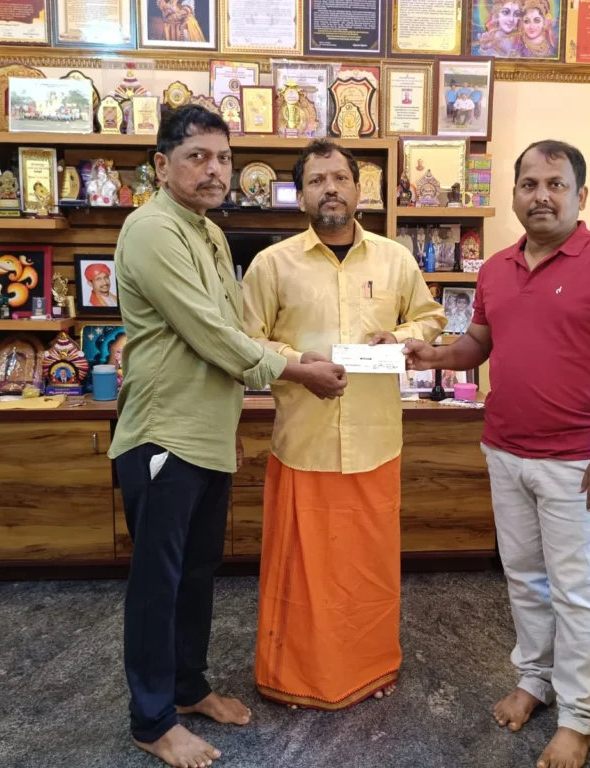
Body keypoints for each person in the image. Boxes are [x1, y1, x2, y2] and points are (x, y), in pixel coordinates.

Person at [404, 140, 590, 768]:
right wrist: (433, 355)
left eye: (555, 184)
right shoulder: (496, 268)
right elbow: (478, 344)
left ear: (580, 195)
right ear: (514, 194)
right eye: (529, 184)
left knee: (574, 591)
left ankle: (580, 716)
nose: (541, 195)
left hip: (578, 461)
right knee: (522, 578)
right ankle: (535, 681)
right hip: (504, 449)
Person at [108, 105, 347, 768]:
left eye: (222, 157)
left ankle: (187, 689)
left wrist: (231, 423)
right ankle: (151, 720)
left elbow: (235, 332)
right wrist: (297, 370)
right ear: (162, 165)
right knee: (158, 583)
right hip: (162, 436)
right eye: (197, 157)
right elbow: (212, 337)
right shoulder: (151, 229)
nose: (214, 170)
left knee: (196, 573)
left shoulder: (209, 232)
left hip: (206, 436)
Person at [242, 139, 447, 711]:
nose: (329, 189)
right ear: (300, 194)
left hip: (375, 442)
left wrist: (399, 337)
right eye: (316, 180)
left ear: (359, 189)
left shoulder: (395, 259)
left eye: (340, 178)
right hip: (304, 443)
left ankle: (369, 667)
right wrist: (297, 365)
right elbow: (245, 342)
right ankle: (293, 675)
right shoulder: (272, 264)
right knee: (302, 574)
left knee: (367, 571)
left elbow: (430, 317)